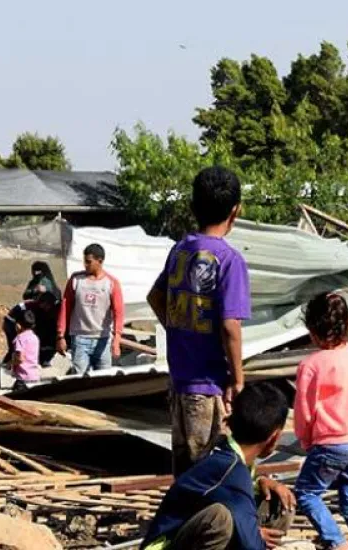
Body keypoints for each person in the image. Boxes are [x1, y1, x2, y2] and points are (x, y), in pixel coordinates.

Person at [147, 166, 251, 476]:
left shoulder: (180, 250)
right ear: (236, 210)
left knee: (185, 470)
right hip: (209, 385)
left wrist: (180, 327)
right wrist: (239, 377)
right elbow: (230, 325)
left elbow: (155, 296)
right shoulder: (230, 260)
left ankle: (182, 523)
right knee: (211, 473)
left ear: (193, 208)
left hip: (180, 381)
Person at [142, 384, 295, 550]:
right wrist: (254, 536)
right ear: (275, 437)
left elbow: (226, 491)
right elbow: (252, 546)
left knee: (279, 502)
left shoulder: (225, 455)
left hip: (185, 532)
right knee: (219, 519)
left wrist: (261, 481)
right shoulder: (231, 469)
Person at [293, 293, 348, 550]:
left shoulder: (311, 365)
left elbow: (304, 412)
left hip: (331, 443)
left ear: (312, 330)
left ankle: (337, 542)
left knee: (307, 493)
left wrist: (307, 440)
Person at [58, 244, 126, 374]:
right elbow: (65, 307)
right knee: (79, 379)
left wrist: (116, 340)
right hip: (80, 339)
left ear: (99, 261)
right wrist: (60, 335)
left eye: (89, 262)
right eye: (84, 261)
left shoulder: (111, 283)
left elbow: (119, 313)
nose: (85, 265)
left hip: (103, 340)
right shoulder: (76, 280)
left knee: (104, 378)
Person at [9, 309, 41, 391]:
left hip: (23, 378)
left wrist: (10, 363)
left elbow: (20, 359)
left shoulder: (19, 338)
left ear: (18, 325)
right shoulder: (35, 337)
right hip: (34, 376)